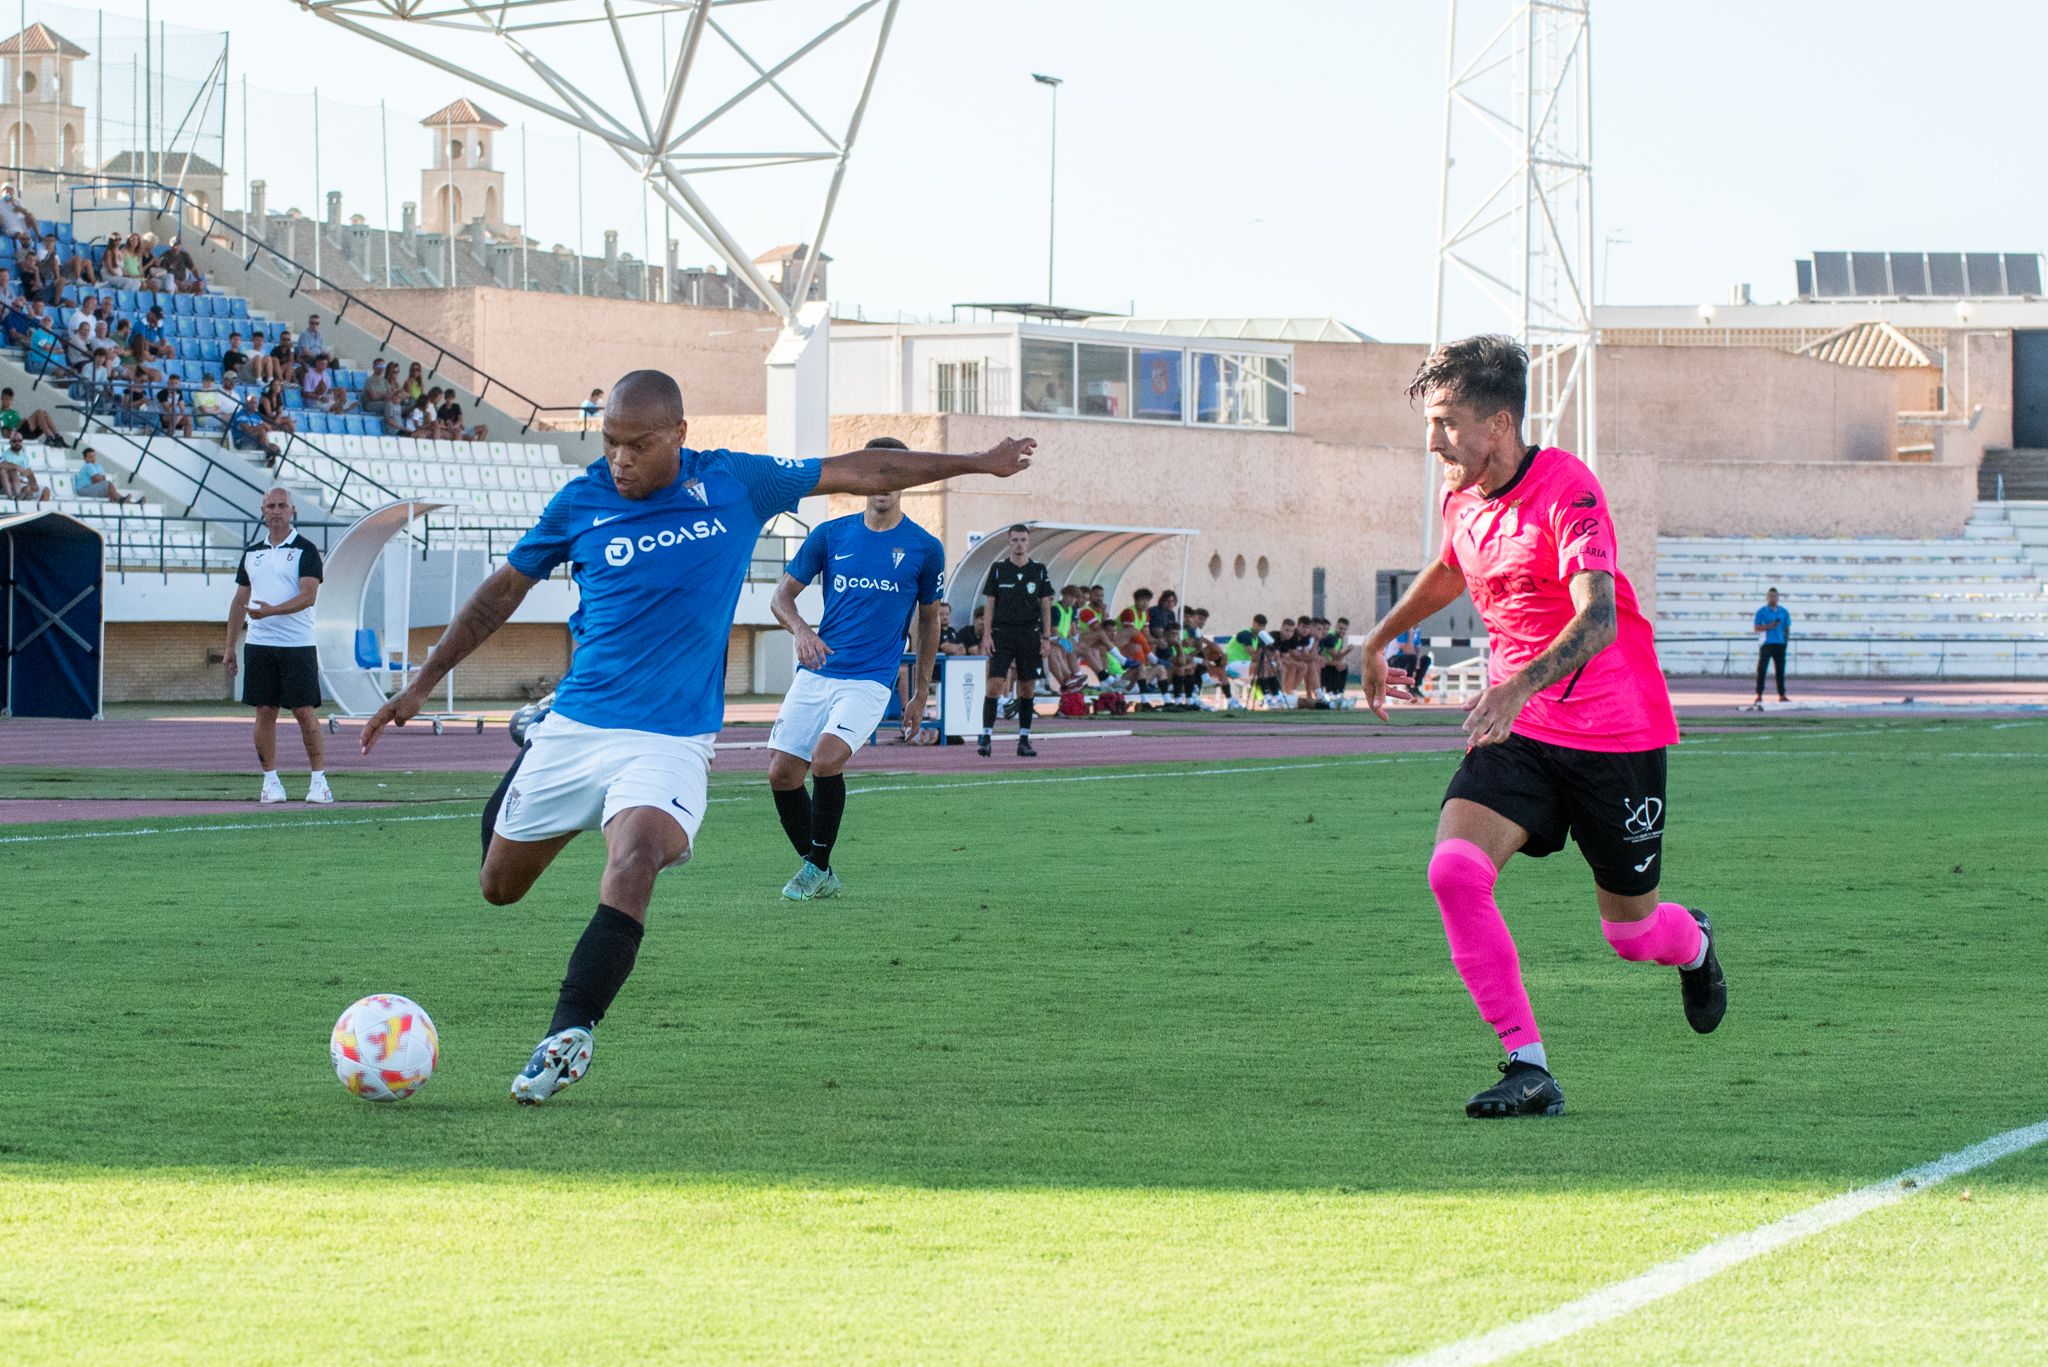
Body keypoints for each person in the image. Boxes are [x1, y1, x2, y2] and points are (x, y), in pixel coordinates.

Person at [357, 370, 1035, 1106]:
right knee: (498, 887)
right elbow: (502, 593)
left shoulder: (736, 482)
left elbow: (864, 468)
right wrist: (420, 684)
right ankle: (534, 749)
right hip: (578, 724)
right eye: (610, 443)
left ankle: (568, 1033)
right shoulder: (581, 499)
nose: (620, 460)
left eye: (637, 446)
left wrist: (977, 462)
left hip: (669, 738)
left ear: (678, 436)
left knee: (639, 853)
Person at [1359, 334, 1725, 1121]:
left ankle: (1692, 942)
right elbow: (1455, 565)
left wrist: (1517, 686)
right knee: (1454, 872)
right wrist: (1379, 637)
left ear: (1498, 422)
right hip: (1520, 730)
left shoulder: (1569, 489)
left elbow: (1596, 620)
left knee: (1630, 936)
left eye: (1446, 422)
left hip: (1613, 732)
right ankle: (1529, 1066)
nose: (1433, 442)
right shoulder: (1463, 497)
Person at [766, 436, 948, 901]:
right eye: (875, 472)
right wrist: (803, 632)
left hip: (869, 677)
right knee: (782, 774)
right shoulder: (831, 534)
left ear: (909, 480)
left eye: (895, 474)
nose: (883, 484)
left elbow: (930, 620)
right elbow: (780, 598)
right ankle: (821, 871)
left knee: (827, 760)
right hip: (819, 670)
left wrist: (921, 691)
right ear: (860, 477)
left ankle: (815, 869)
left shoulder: (925, 548)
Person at [225, 488, 329, 805]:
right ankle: (270, 781)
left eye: (282, 506)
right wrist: (230, 645)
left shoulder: (305, 550)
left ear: (292, 511)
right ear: (262, 510)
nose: (276, 511)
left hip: (297, 645)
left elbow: (309, 595)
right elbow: (240, 599)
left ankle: (319, 781)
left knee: (303, 711)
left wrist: (272, 611)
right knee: (265, 711)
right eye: (271, 505)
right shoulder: (252, 553)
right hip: (259, 643)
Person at [977, 523, 1055, 757]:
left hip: (1030, 634)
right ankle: (986, 736)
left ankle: (1024, 739)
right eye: (1014, 540)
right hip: (1003, 633)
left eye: (1022, 540)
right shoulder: (999, 569)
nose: (1019, 544)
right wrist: (987, 634)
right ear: (1008, 542)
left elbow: (1045, 605)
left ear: (1028, 542)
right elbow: (990, 603)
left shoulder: (1039, 570)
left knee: (1027, 687)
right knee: (994, 684)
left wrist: (1046, 637)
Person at [1752, 587, 1791, 705]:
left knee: (1780, 671)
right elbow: (1756, 628)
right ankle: (1759, 694)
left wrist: (1785, 640)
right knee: (1762, 670)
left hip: (1780, 644)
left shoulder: (1783, 611)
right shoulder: (1761, 612)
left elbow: (1786, 627)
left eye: (1774, 596)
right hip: (1766, 644)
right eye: (1770, 596)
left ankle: (1782, 694)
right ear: (1767, 597)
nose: (1772, 598)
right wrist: (1769, 626)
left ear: (1778, 598)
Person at [0, 388, 66, 447]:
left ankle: (58, 437)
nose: (8, 402)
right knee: (39, 412)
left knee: (45, 413)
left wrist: (22, 422)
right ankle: (49, 437)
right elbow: (6, 434)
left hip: (27, 431)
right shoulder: (2, 414)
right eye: (6, 399)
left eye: (10, 400)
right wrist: (19, 425)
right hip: (18, 433)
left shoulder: (14, 412)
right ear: (1, 399)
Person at [72, 447, 139, 503]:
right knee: (108, 485)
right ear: (85, 459)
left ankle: (129, 503)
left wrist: (98, 478)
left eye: (94, 456)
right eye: (90, 457)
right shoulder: (87, 466)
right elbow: (97, 480)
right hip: (83, 489)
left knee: (110, 489)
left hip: (92, 488)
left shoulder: (98, 466)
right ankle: (121, 500)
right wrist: (99, 478)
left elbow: (102, 479)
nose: (93, 459)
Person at [1, 433, 50, 502]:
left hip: (24, 483)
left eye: (19, 441)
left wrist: (33, 483)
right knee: (27, 489)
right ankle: (23, 509)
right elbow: (8, 476)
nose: (17, 443)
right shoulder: (5, 456)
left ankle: (39, 511)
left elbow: (29, 472)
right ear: (10, 442)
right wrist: (26, 483)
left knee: (46, 491)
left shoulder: (24, 456)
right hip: (14, 483)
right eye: (14, 441)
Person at [1388, 625, 1432, 701]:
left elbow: (1418, 650)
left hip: (1408, 659)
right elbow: (1407, 650)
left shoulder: (1417, 631)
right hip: (1393, 659)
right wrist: (1410, 634)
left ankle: (1415, 685)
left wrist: (1418, 662)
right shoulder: (1401, 630)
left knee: (1426, 659)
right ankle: (1408, 685)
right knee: (1412, 658)